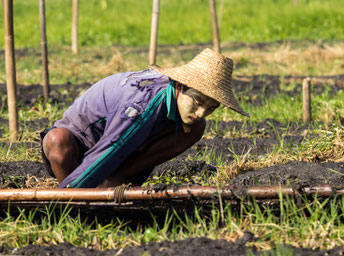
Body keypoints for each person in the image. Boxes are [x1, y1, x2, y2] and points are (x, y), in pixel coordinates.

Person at [41, 48, 249, 188]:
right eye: (198, 101)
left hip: (126, 147)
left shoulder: (184, 112)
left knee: (196, 128)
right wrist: (67, 196)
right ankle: (89, 197)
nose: (202, 112)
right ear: (179, 86)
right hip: (81, 145)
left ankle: (113, 184)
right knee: (58, 141)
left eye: (212, 107)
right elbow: (109, 149)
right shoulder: (141, 106)